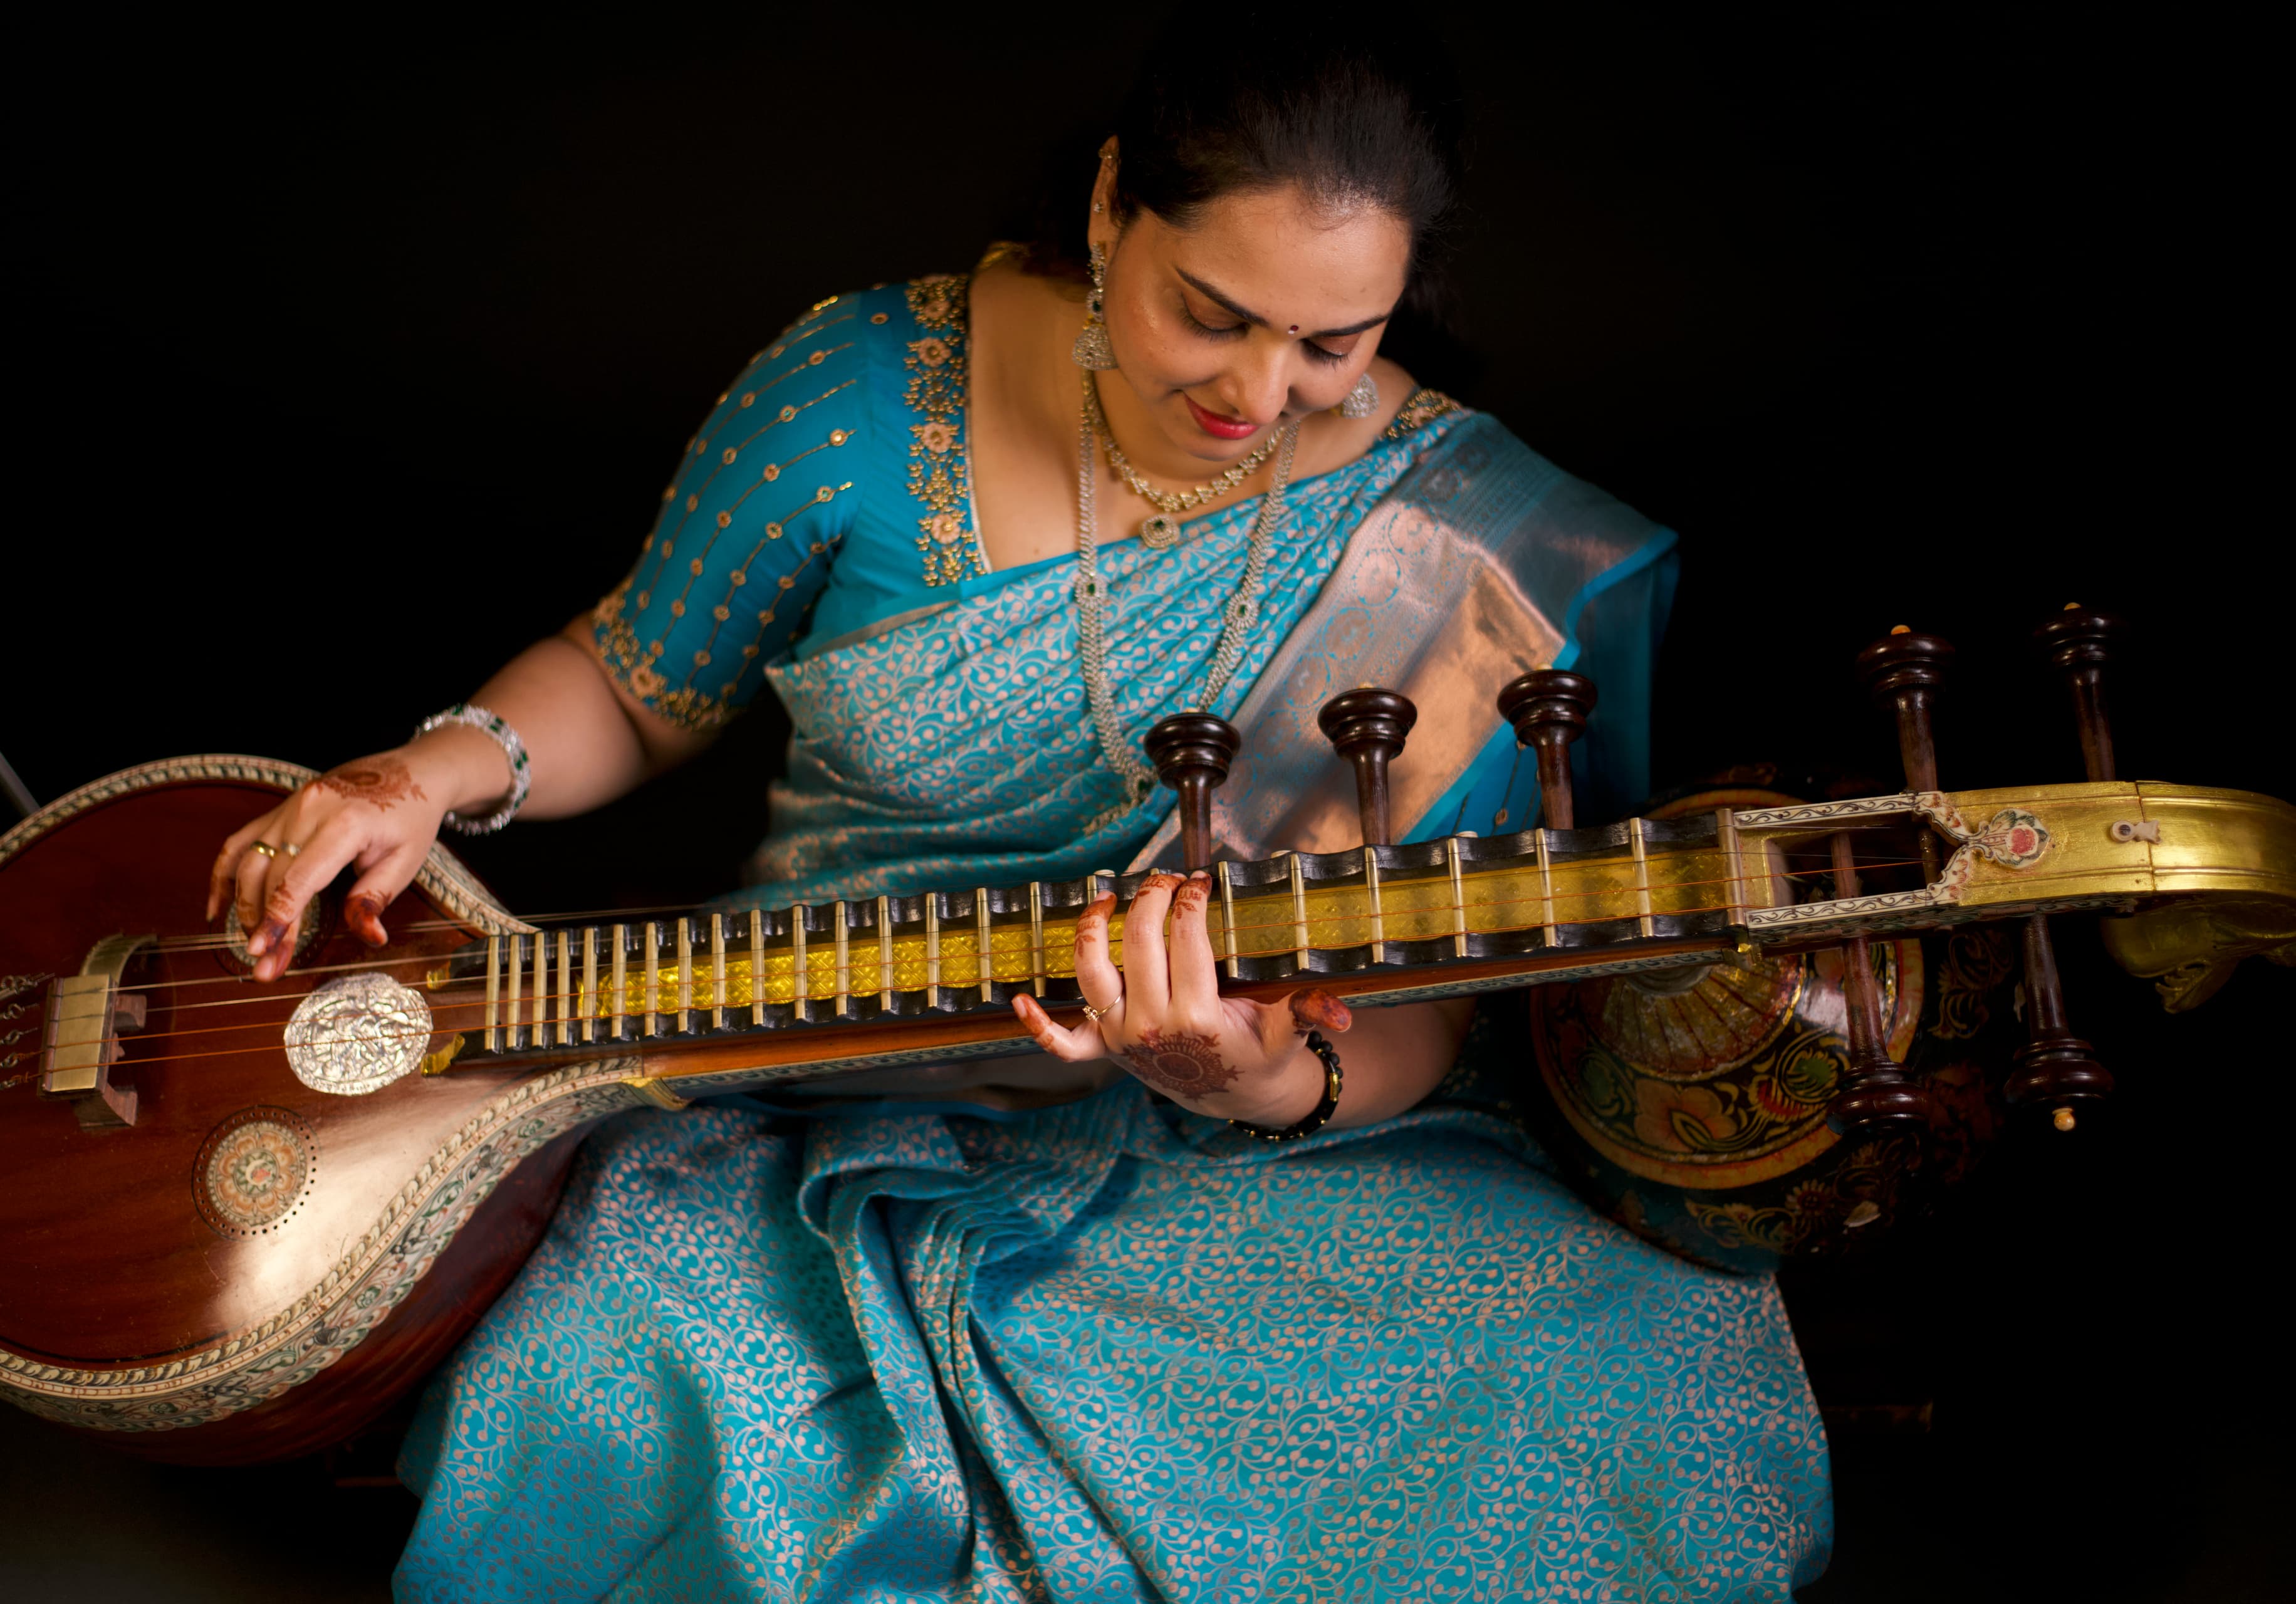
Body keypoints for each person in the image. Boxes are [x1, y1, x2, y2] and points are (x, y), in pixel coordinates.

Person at [211, 20, 1829, 1600]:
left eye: (1333, 345)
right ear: (1115, 202)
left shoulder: (1489, 555)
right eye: (1215, 313)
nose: (1266, 395)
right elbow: (640, 681)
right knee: (612, 1361)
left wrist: (1258, 1072)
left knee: (1590, 1391)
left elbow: (1441, 1008)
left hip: (1247, 1160)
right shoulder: (860, 388)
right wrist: (419, 775)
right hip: (804, 1076)